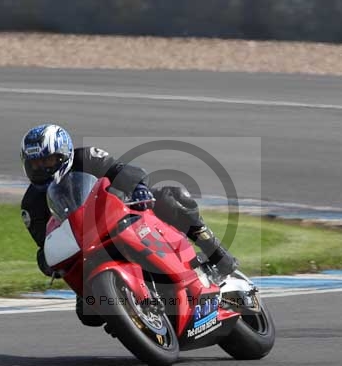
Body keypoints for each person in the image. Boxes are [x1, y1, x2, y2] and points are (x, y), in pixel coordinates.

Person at [19, 123, 238, 326]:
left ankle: (215, 251)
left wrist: (137, 187)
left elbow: (122, 170)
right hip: (86, 246)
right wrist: (47, 260)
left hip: (122, 214)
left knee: (172, 198)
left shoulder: (86, 157)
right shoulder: (31, 204)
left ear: (63, 154)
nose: (41, 168)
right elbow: (45, 241)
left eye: (47, 161)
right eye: (35, 164)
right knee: (88, 313)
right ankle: (127, 322)